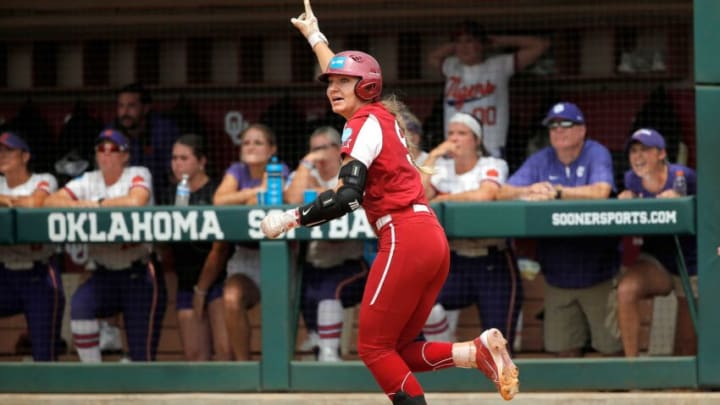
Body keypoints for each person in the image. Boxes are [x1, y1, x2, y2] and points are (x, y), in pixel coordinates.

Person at [260, 2, 519, 403]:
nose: (333, 88)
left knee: (372, 349)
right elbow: (350, 72)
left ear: (364, 88)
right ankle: (474, 352)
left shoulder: (361, 124)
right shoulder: (379, 116)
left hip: (402, 236)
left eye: (343, 83)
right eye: (330, 82)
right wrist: (315, 38)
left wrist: (290, 219)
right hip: (428, 236)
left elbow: (348, 197)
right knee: (396, 349)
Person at [497, 101, 623, 357]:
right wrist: (529, 189)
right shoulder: (541, 159)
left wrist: (558, 192)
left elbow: (601, 191)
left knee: (609, 351)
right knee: (565, 351)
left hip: (598, 270)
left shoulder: (596, 152)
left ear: (582, 130)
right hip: (557, 275)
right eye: (553, 125)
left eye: (567, 124)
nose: (559, 130)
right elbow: (502, 192)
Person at [44, 128, 167, 362]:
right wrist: (79, 205)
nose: (106, 155)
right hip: (104, 273)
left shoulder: (138, 173)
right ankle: (93, 373)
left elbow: (136, 200)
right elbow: (52, 200)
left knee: (142, 355)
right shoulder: (89, 180)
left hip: (139, 271)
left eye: (113, 150)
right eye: (101, 149)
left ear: (125, 155)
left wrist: (96, 205)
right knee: (80, 306)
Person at [419, 113, 522, 349]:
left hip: (493, 259)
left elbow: (485, 195)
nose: (455, 139)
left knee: (498, 344)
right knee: (424, 306)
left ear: (476, 140)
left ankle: (502, 383)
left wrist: (444, 198)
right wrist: (433, 155)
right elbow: (419, 197)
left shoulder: (493, 164)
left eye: (462, 133)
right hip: (455, 259)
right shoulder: (442, 168)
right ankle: (444, 356)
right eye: (451, 133)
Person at [285, 126, 367, 362]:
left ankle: (330, 356)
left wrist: (317, 190)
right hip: (314, 262)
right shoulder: (305, 172)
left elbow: (344, 197)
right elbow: (292, 198)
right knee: (299, 288)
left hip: (348, 262)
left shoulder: (349, 171)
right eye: (313, 149)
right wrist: (308, 164)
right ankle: (318, 343)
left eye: (321, 148)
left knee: (329, 293)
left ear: (337, 149)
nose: (317, 154)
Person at [616, 128, 698, 357]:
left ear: (661, 154)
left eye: (645, 150)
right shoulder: (631, 179)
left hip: (692, 262)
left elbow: (713, 209)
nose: (638, 157)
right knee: (626, 290)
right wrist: (626, 202)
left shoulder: (685, 177)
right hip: (657, 260)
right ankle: (632, 370)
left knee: (686, 344)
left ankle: (681, 389)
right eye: (633, 151)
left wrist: (680, 200)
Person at [213, 123, 290, 361]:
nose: (251, 147)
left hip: (279, 253)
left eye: (258, 142)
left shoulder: (279, 169)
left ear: (271, 149)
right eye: (246, 142)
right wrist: (252, 193)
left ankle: (277, 369)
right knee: (231, 296)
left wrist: (246, 198)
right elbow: (219, 200)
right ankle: (244, 366)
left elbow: (273, 199)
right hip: (245, 254)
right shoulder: (236, 170)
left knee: (277, 311)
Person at [429, 20, 549, 158]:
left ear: (482, 45)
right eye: (459, 42)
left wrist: (495, 41)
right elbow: (432, 57)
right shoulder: (452, 66)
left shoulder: (499, 66)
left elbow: (540, 45)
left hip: (490, 149)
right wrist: (457, 45)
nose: (463, 47)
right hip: (454, 150)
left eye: (469, 41)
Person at [161, 134, 232, 361]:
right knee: (194, 355)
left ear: (201, 161)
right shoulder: (169, 194)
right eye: (174, 158)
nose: (177, 163)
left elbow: (220, 249)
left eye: (184, 158)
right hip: (185, 281)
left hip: (217, 278)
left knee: (225, 350)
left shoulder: (217, 192)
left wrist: (201, 289)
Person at [0, 131, 64, 361]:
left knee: (44, 353)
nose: (2, 155)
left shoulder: (43, 179)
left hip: (39, 275)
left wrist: (7, 201)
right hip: (5, 274)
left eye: (9, 151)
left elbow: (36, 203)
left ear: (25, 156)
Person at [109, 82, 181, 202]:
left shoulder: (164, 131)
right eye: (121, 106)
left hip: (162, 200)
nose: (124, 112)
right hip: (121, 201)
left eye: (131, 106)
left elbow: (175, 176)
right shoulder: (111, 133)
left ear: (146, 108)